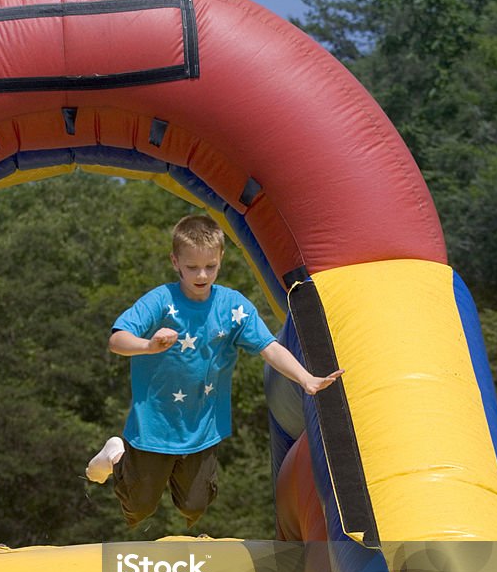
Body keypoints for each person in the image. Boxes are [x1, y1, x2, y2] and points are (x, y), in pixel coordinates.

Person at [86, 215, 343, 528]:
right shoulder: (161, 301)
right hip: (155, 425)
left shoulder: (233, 307)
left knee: (194, 506)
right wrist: (148, 346)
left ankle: (146, 471)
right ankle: (116, 456)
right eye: (192, 267)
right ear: (175, 261)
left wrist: (306, 378)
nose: (202, 275)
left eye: (210, 266)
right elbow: (117, 340)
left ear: (221, 258)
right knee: (139, 507)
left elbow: (269, 347)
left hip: (202, 426)